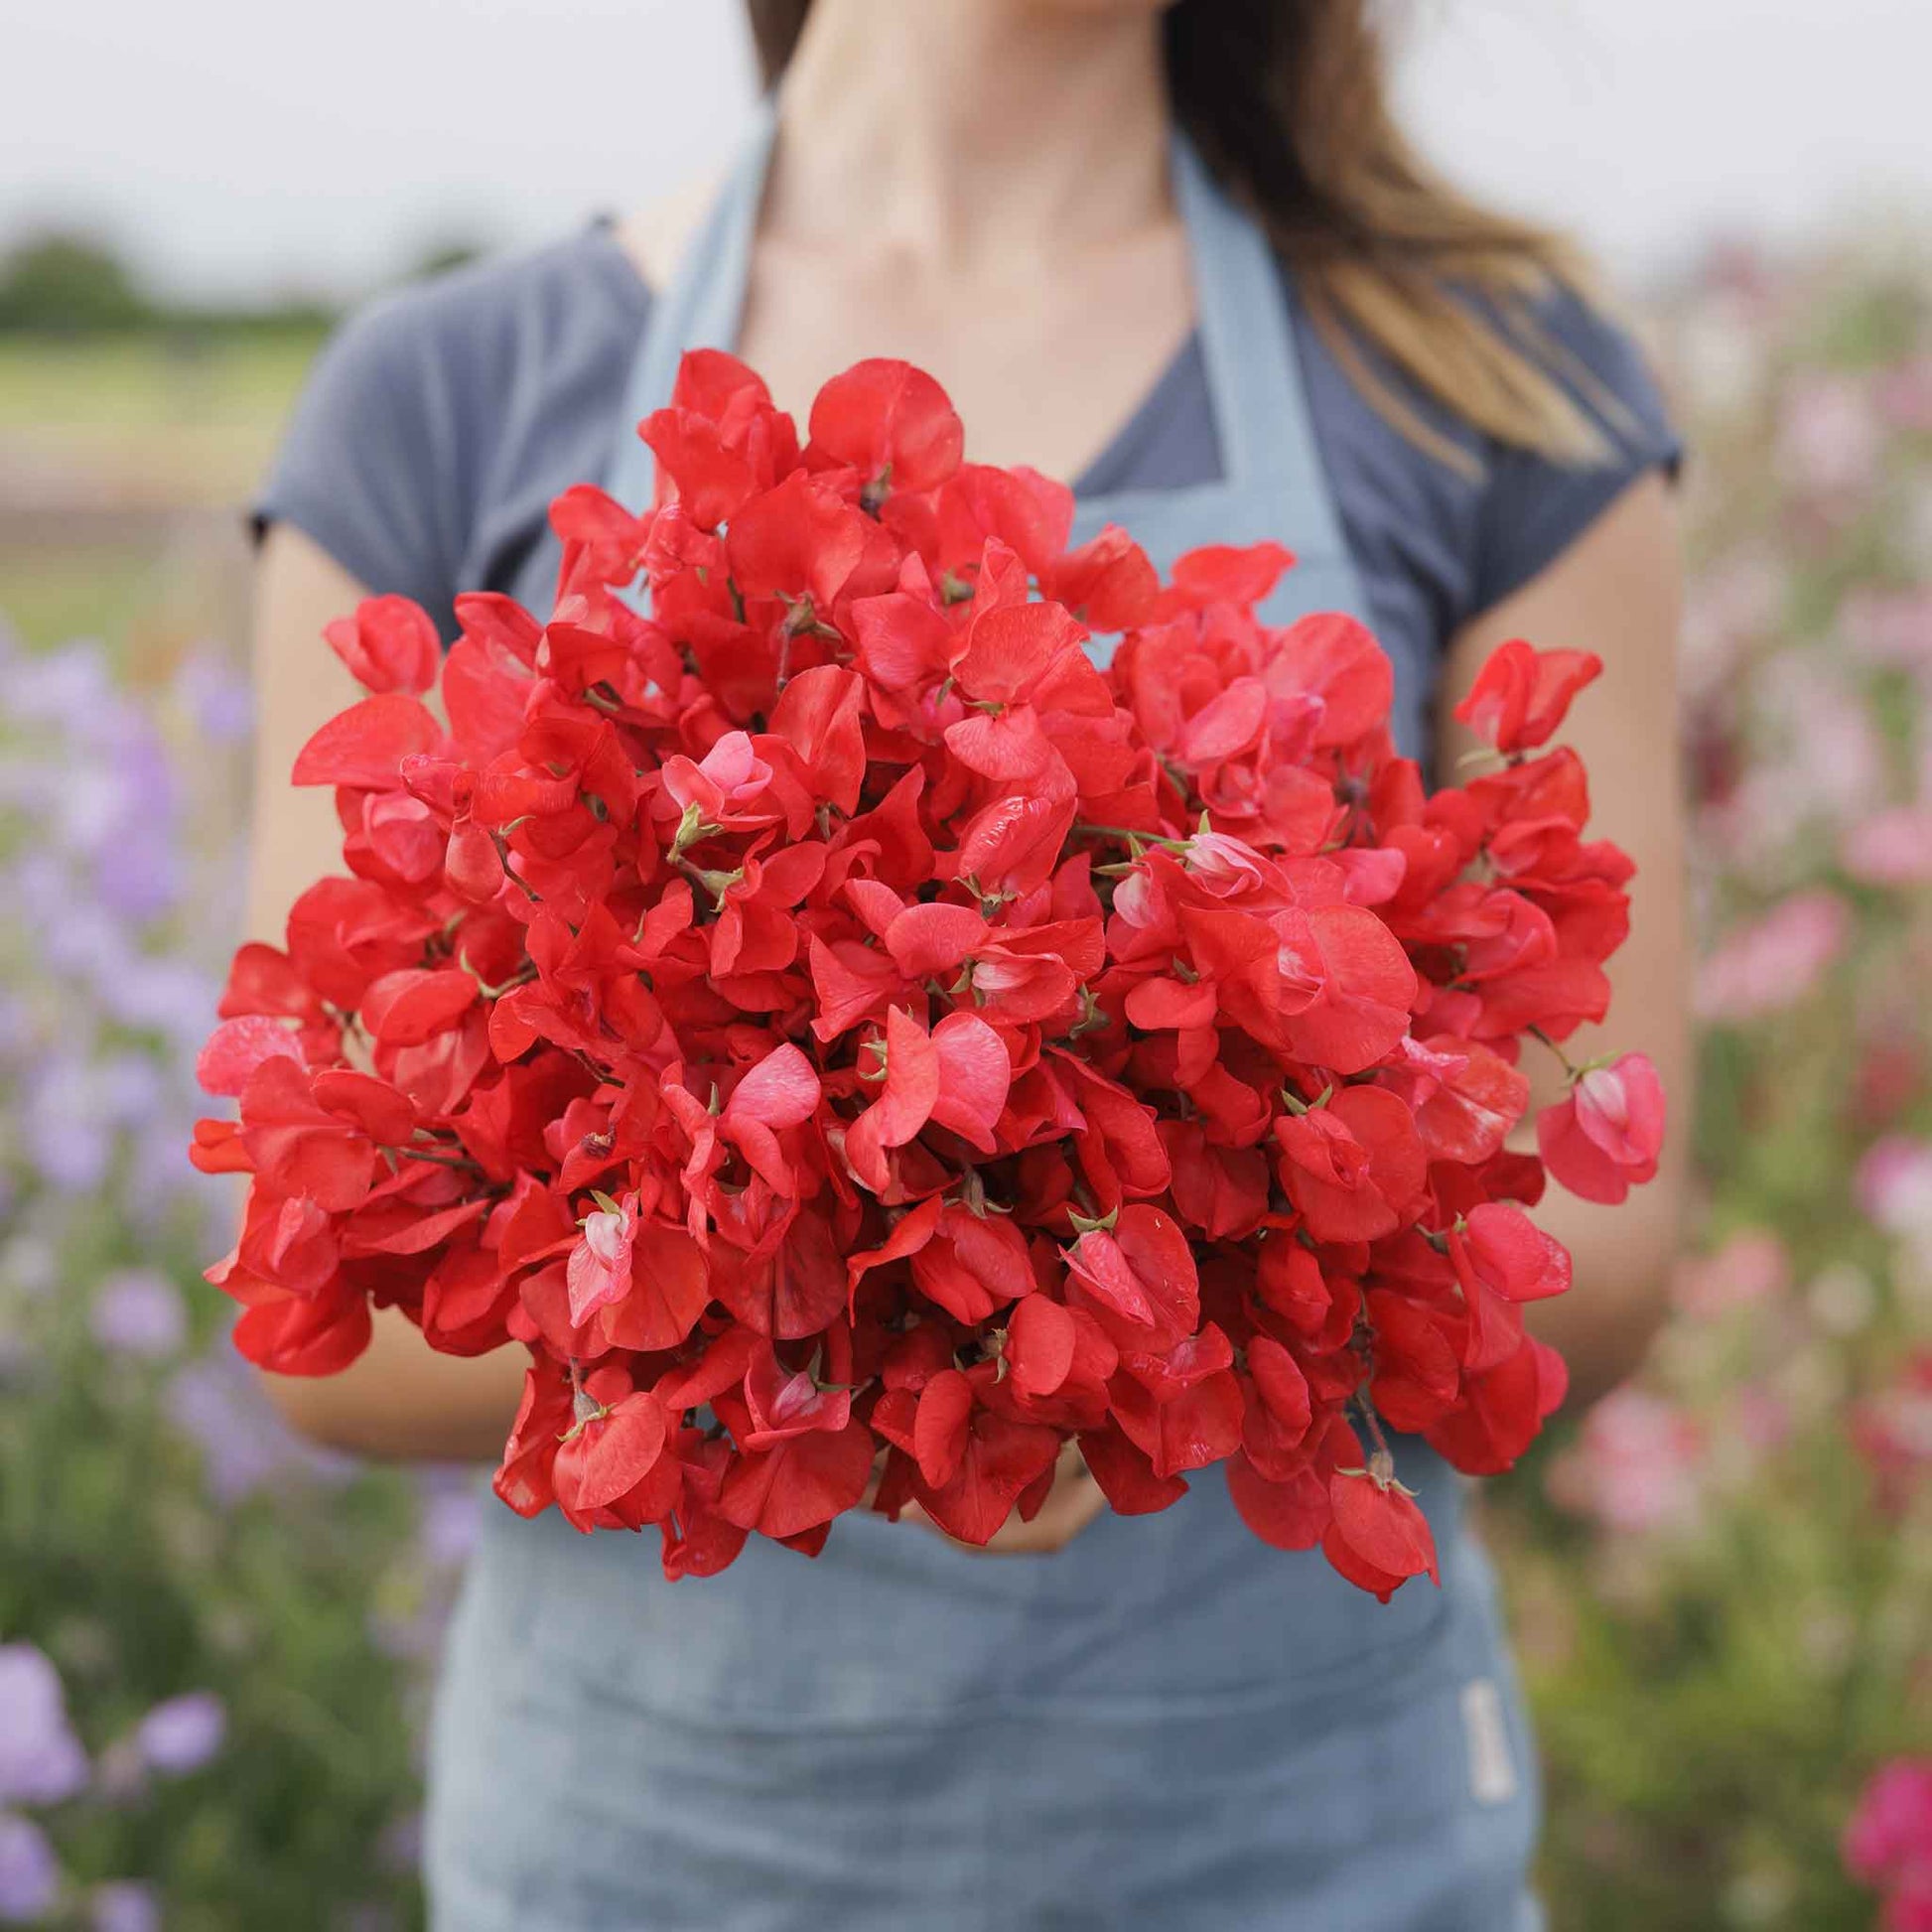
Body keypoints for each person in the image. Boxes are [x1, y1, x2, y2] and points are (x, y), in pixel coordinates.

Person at [249, 2, 1690, 1924]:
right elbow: (316, 1296)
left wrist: (1101, 1322)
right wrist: (878, 1357)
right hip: (660, 1867)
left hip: (1300, 1863)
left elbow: (1585, 1259)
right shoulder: (443, 393)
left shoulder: (1488, 378)